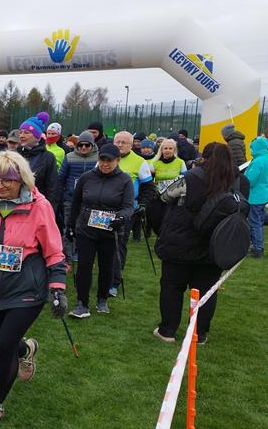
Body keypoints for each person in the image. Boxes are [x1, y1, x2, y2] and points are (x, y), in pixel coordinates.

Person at [0, 151, 66, 428]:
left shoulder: (40, 207)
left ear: (22, 180)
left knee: (4, 344)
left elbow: (54, 250)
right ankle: (26, 349)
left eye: (7, 180)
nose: (0, 186)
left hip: (27, 288)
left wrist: (57, 287)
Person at [154, 143, 250, 343]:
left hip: (179, 242)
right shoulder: (240, 182)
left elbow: (163, 196)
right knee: (206, 292)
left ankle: (167, 330)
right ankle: (199, 334)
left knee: (172, 287)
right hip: (215, 246)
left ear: (203, 157)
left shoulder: (191, 178)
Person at [67, 144, 134, 318]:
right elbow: (75, 203)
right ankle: (82, 303)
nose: (105, 164)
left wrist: (120, 218)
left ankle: (102, 299)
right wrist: (70, 225)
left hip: (110, 230)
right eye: (102, 160)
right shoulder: (86, 177)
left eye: (109, 161)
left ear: (118, 161)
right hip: (86, 228)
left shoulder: (125, 180)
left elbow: (128, 207)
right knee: (84, 265)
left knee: (106, 266)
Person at [111, 131, 154, 294]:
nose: (120, 145)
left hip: (127, 210)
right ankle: (105, 275)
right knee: (104, 245)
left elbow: (148, 187)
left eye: (124, 142)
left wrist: (143, 203)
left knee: (119, 244)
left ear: (131, 144)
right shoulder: (106, 156)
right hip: (104, 209)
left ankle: (114, 281)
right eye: (118, 142)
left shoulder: (140, 161)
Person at [57, 131, 99, 266]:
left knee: (87, 229)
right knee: (69, 228)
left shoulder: (99, 158)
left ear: (92, 145)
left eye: (87, 145)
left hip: (91, 201)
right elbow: (61, 178)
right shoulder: (69, 157)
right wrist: (63, 195)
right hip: (71, 199)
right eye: (81, 145)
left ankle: (82, 253)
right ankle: (67, 257)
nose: (84, 148)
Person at [16, 112, 58, 208]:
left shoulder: (48, 158)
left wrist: (49, 211)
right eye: (20, 132)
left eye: (26, 132)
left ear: (37, 137)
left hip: (36, 207)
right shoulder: (14, 154)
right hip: (15, 206)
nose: (21, 135)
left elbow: (52, 188)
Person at [244, 136, 267, 258]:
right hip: (263, 194)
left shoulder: (258, 161)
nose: (251, 150)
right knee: (259, 221)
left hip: (255, 196)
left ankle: (257, 248)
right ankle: (256, 246)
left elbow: (250, 180)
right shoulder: (266, 159)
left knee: (254, 223)